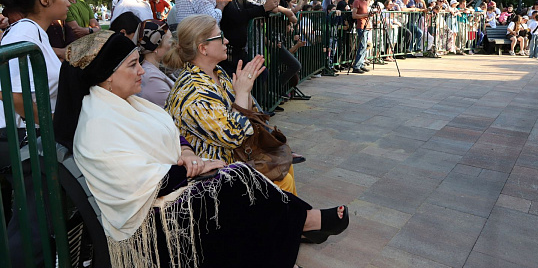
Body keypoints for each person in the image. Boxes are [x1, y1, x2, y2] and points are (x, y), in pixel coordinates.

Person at [52, 30, 349, 268]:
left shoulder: (128, 103)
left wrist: (188, 154)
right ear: (107, 76)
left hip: (170, 190)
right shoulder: (100, 123)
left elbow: (169, 133)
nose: (142, 71)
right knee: (236, 184)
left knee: (240, 182)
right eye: (133, 65)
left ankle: (298, 224)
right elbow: (134, 182)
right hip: (145, 221)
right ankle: (304, 222)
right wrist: (194, 166)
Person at [163, 14, 299, 194]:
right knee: (284, 183)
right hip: (210, 177)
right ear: (203, 48)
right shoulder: (195, 92)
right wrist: (242, 92)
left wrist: (246, 89)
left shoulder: (216, 72)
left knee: (285, 168)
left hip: (233, 160)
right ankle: (299, 221)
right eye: (220, 37)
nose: (226, 41)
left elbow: (247, 114)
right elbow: (235, 135)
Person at [0, 0, 70, 266]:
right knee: (33, 225)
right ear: (44, 0)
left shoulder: (33, 30)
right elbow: (9, 92)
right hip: (15, 138)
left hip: (28, 135)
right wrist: (51, 120)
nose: (69, 2)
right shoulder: (24, 32)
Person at [211, 0, 278, 76]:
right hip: (227, 56)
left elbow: (253, 9)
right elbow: (237, 17)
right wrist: (264, 8)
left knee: (262, 74)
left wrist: (268, 7)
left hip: (241, 53)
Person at [137, 19, 175, 107]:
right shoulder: (151, 78)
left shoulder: (154, 69)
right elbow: (176, 108)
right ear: (155, 48)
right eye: (169, 41)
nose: (173, 44)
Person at [351, 0, 374, 73]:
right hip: (361, 26)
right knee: (362, 46)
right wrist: (366, 15)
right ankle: (356, 66)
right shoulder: (357, 2)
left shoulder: (366, 2)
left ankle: (361, 64)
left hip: (367, 26)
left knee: (365, 46)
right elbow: (354, 15)